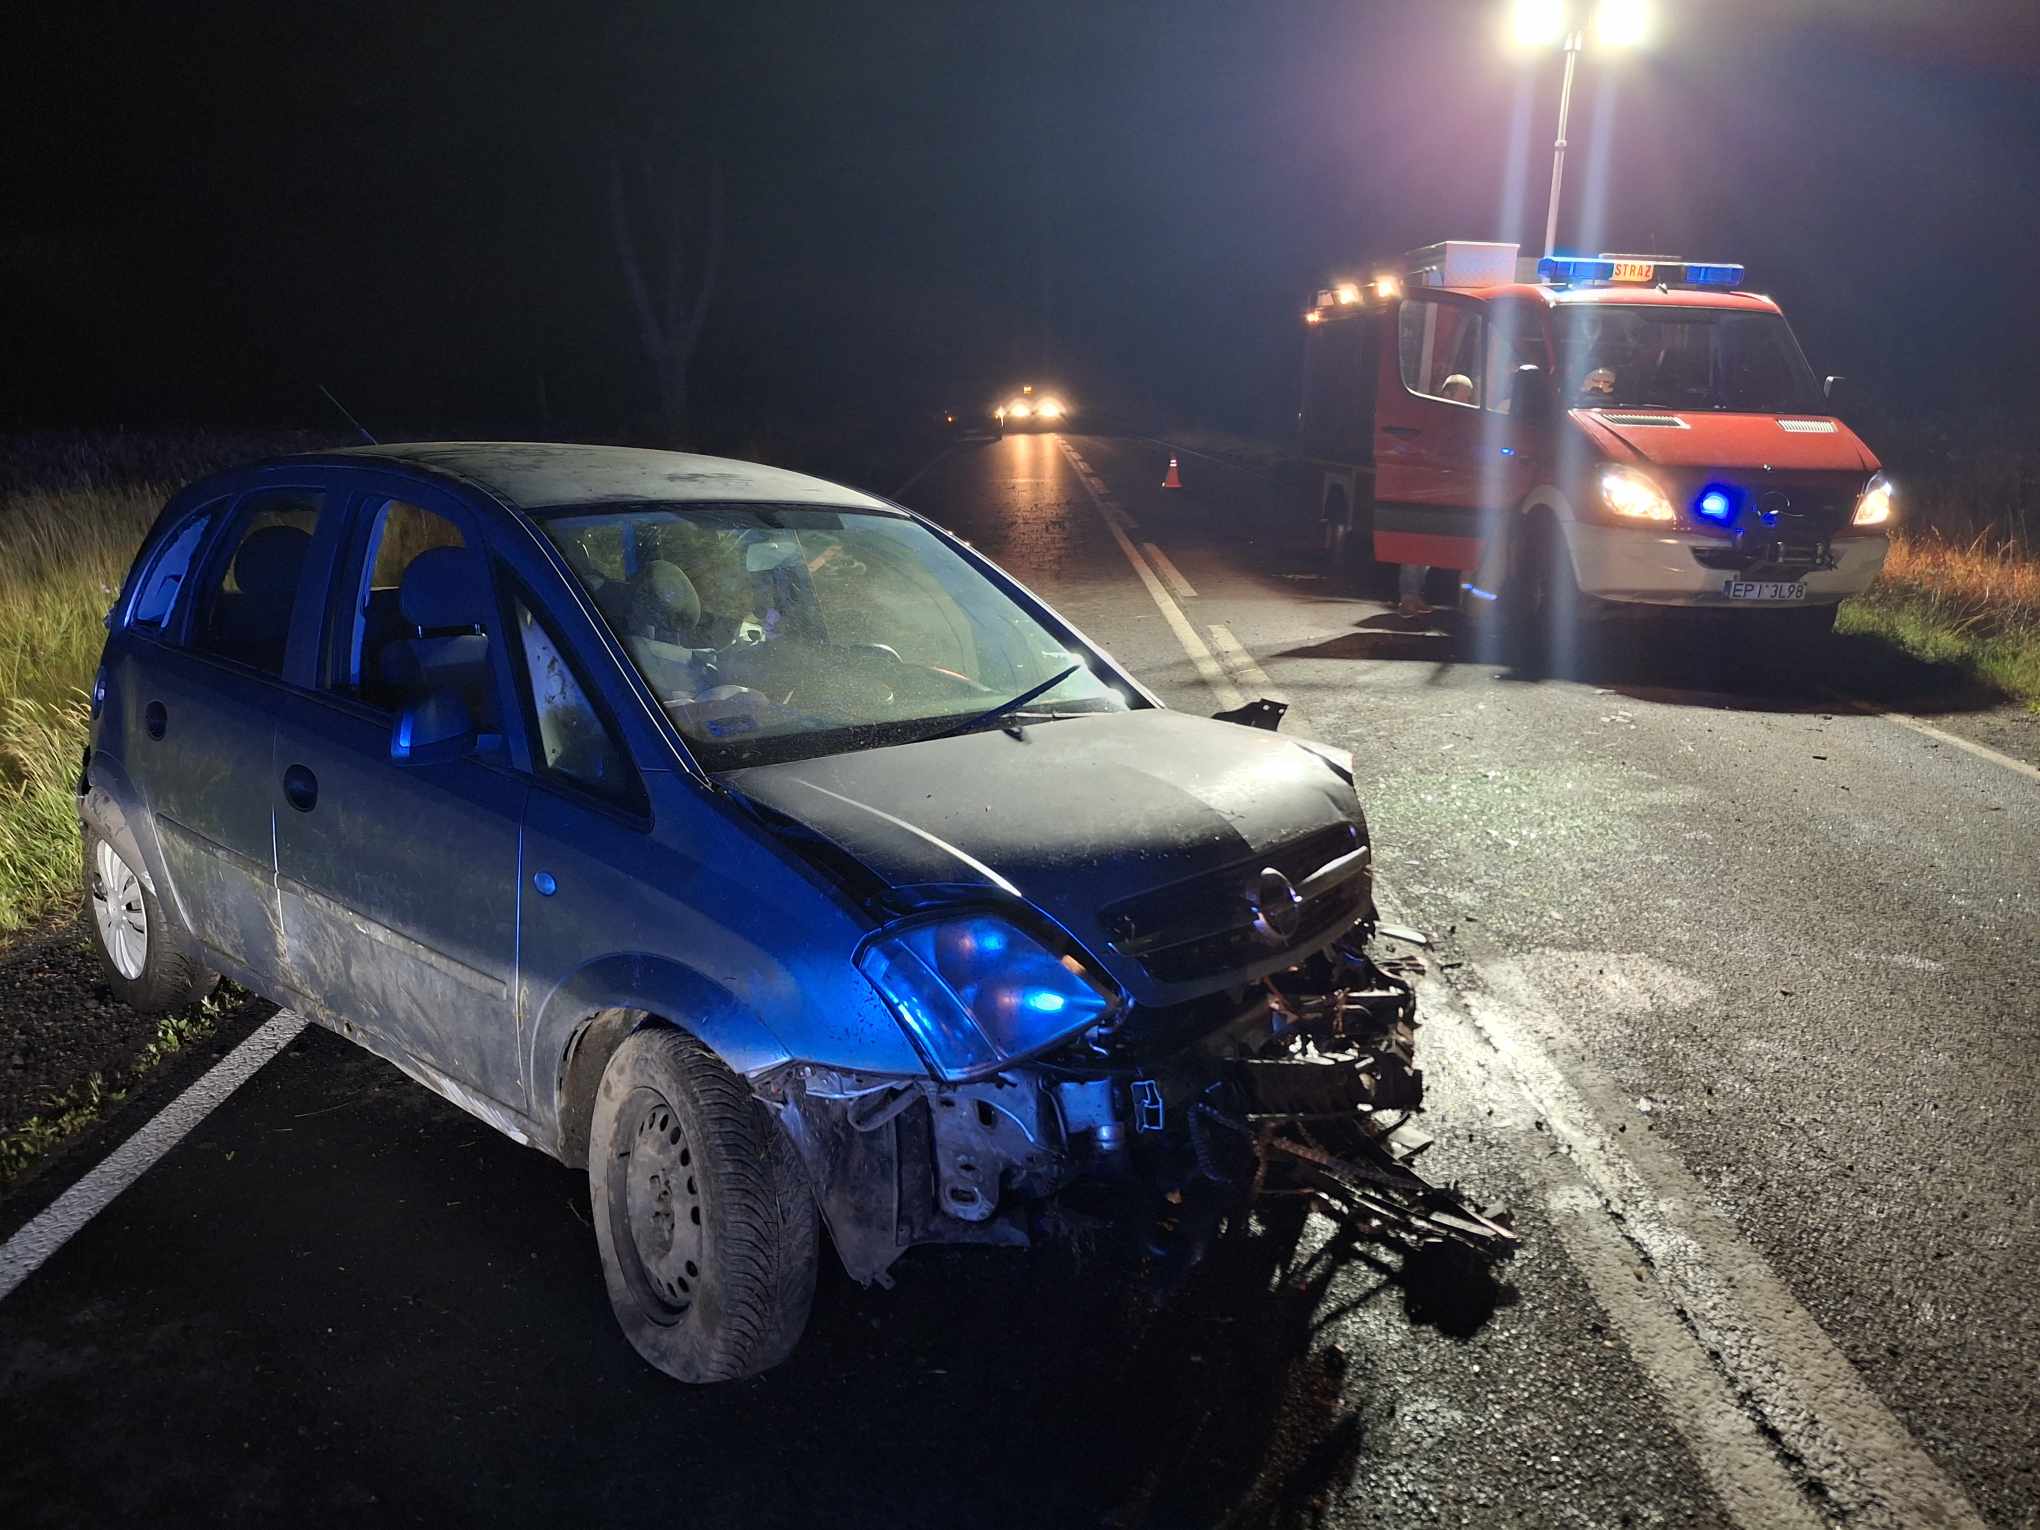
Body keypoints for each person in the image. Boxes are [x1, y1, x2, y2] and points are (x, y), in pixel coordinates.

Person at [1399, 372, 1475, 617]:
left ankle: (1415, 595)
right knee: (1416, 545)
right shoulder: (1432, 415)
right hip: (1425, 488)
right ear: (1447, 394)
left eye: (1468, 398)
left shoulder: (1455, 419)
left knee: (1428, 545)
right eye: (1463, 396)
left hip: (1442, 489)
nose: (1466, 402)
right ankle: (1408, 597)